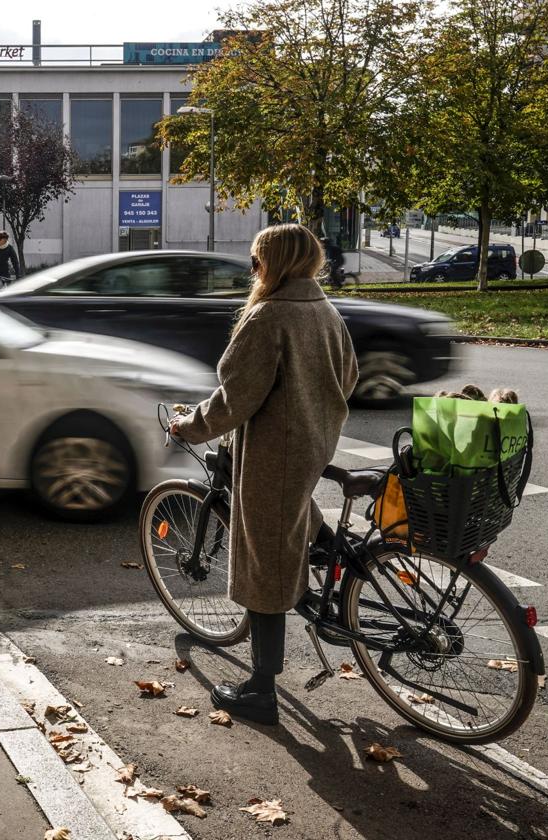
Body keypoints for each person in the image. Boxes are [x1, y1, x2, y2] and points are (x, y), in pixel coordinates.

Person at [169, 223, 358, 726]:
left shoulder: (269, 316)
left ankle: (261, 690)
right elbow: (349, 376)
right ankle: (320, 562)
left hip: (276, 451)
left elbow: (237, 396)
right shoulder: (324, 309)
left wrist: (192, 426)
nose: (254, 270)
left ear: (272, 263)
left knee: (265, 565)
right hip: (316, 439)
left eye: (257, 261)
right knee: (290, 519)